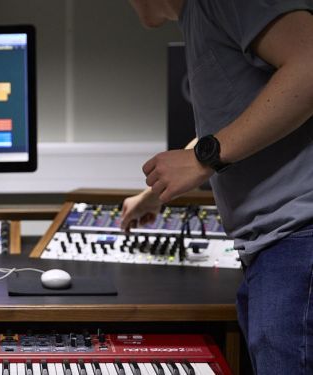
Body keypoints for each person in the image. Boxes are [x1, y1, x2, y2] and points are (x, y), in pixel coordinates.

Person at [121, 1, 313, 374]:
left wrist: (202, 160)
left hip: (296, 242)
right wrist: (155, 194)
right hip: (276, 247)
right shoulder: (199, 17)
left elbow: (309, 65)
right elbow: (238, 119)